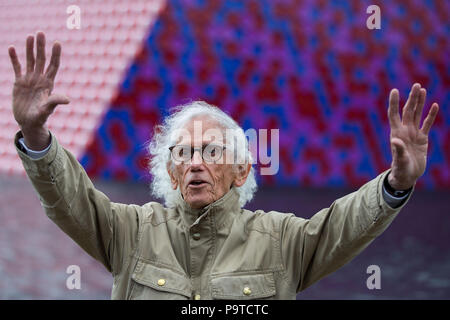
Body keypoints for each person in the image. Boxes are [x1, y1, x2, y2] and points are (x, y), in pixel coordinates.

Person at [8, 32, 439, 300]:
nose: (196, 163)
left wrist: (397, 182)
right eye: (184, 153)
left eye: (211, 152)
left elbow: (345, 224)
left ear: (241, 171)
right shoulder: (130, 232)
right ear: (172, 173)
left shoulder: (281, 241)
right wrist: (36, 138)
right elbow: (69, 199)